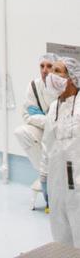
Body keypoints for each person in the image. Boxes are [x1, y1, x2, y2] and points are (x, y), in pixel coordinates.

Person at [40, 56, 80, 245]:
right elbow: (47, 143)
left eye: (57, 71)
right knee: (59, 228)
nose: (50, 74)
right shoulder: (54, 107)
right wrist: (44, 174)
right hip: (57, 179)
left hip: (78, 179)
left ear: (71, 77)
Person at [15, 52, 58, 195]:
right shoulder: (34, 86)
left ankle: (56, 177)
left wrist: (45, 118)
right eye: (42, 66)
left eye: (49, 66)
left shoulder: (62, 87)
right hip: (44, 128)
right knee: (21, 132)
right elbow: (27, 115)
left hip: (61, 132)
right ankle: (46, 174)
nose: (45, 70)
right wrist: (48, 121)